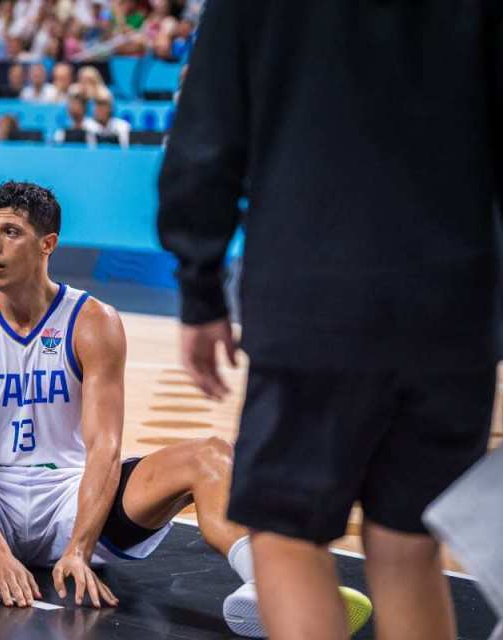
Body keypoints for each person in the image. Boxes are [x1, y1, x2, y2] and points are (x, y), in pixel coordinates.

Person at [0, 182, 371, 635]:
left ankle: (264, 588)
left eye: (10, 232)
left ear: (47, 244)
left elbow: (104, 447)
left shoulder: (93, 322)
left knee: (211, 455)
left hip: (73, 501)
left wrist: (79, 548)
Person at [157, 2, 500, 640]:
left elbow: (206, 138)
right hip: (453, 304)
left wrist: (199, 288)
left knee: (286, 536)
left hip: (314, 297)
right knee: (410, 542)